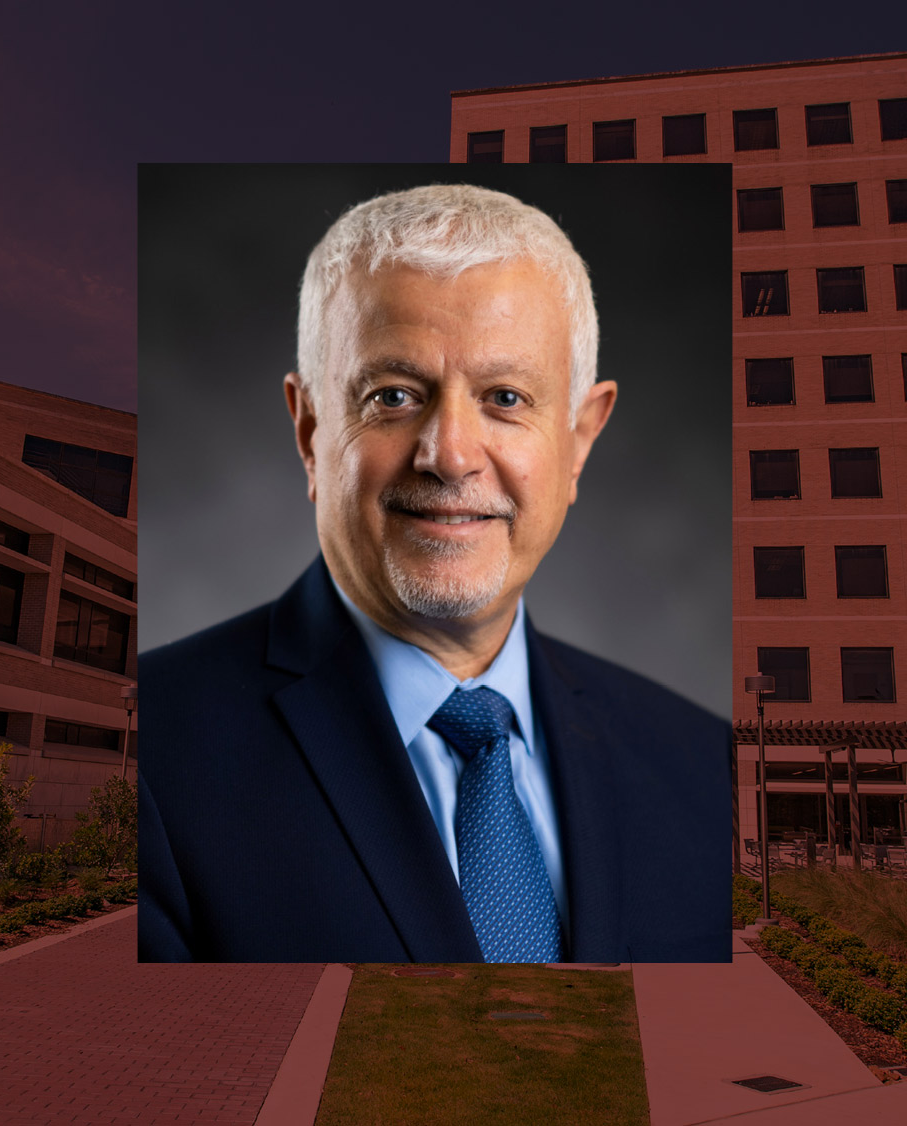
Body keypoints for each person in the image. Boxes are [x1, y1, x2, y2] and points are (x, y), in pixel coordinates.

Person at [138, 184, 728, 963]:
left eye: (505, 397)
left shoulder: (705, 766)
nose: (449, 455)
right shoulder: (149, 754)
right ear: (310, 430)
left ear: (580, 439)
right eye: (393, 396)